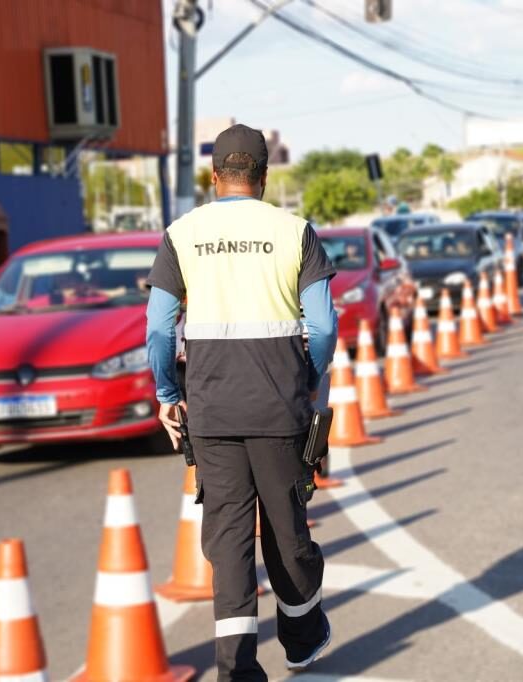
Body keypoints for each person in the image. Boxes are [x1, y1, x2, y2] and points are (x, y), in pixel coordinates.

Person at [145, 124, 338, 681]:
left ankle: (236, 670)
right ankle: (301, 638)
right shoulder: (295, 231)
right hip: (280, 408)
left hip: (211, 412)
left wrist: (167, 393)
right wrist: (309, 374)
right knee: (286, 531)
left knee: (228, 542)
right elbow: (322, 325)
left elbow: (159, 328)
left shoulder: (182, 233)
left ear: (214, 176)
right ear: (264, 176)